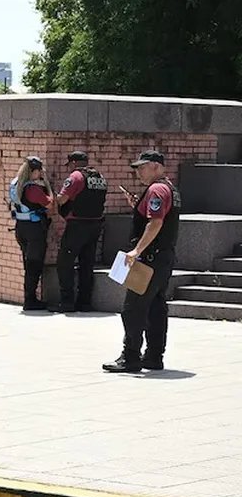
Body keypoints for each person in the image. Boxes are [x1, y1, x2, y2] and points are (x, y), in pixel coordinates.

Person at [104, 150, 180, 373]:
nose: (138, 172)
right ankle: (154, 356)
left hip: (149, 259)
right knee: (156, 307)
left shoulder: (156, 189)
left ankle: (130, 358)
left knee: (133, 309)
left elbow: (155, 223)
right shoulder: (169, 188)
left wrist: (137, 250)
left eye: (142, 167)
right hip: (163, 257)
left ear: (156, 166)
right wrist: (137, 206)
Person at [55, 151, 108, 312]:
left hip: (77, 225)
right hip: (95, 225)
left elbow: (62, 199)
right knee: (87, 264)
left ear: (72, 163)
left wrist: (54, 200)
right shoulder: (100, 177)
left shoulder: (76, 177)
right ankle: (85, 302)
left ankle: (67, 302)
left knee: (65, 262)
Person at [9, 156, 54, 310]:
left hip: (21, 227)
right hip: (34, 229)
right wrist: (47, 186)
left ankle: (30, 297)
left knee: (28, 264)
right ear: (33, 171)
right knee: (34, 265)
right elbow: (50, 204)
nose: (41, 173)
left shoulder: (16, 184)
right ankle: (30, 300)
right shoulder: (32, 189)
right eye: (39, 171)